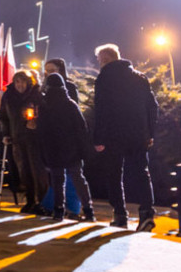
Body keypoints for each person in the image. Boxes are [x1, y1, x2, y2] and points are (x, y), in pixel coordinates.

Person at [92, 43, 158, 231]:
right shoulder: (139, 78)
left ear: (104, 60)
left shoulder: (104, 79)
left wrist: (98, 138)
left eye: (99, 61)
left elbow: (102, 110)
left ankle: (120, 214)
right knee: (141, 173)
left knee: (114, 175)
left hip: (114, 136)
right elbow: (152, 107)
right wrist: (149, 133)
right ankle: (146, 213)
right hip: (138, 135)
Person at [38, 73, 95, 221]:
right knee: (78, 179)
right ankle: (88, 210)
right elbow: (81, 129)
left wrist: (44, 152)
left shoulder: (44, 106)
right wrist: (84, 150)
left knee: (57, 180)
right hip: (72, 149)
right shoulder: (70, 105)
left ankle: (58, 210)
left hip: (53, 149)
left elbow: (42, 131)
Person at [0, 70, 47, 214]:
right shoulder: (9, 96)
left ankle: (42, 202)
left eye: (23, 81)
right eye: (17, 82)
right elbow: (4, 117)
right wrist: (6, 134)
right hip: (17, 139)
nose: (20, 85)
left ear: (29, 82)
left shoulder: (37, 95)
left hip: (35, 139)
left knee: (37, 171)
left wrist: (36, 122)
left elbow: (45, 114)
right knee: (23, 171)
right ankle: (30, 200)